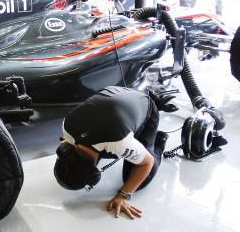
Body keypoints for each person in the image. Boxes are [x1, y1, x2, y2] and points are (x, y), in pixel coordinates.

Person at [53, 86, 168, 219]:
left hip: (146, 107)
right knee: (97, 147)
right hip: (117, 93)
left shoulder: (117, 143)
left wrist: (124, 195)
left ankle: (159, 141)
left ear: (95, 175)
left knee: (139, 179)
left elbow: (147, 163)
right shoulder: (67, 127)